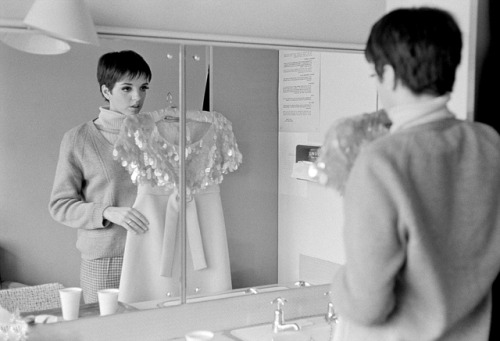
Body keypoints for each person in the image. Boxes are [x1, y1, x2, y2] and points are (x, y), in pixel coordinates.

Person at [328, 7, 500, 341]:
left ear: (389, 75)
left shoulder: (381, 162)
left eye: (374, 75)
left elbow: (368, 307)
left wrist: (340, 282)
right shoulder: (490, 144)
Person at [49, 50, 151, 303]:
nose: (137, 97)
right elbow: (60, 206)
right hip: (106, 259)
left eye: (143, 87)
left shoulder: (154, 135)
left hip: (153, 251)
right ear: (106, 91)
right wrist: (107, 212)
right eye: (126, 88)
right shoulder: (78, 138)